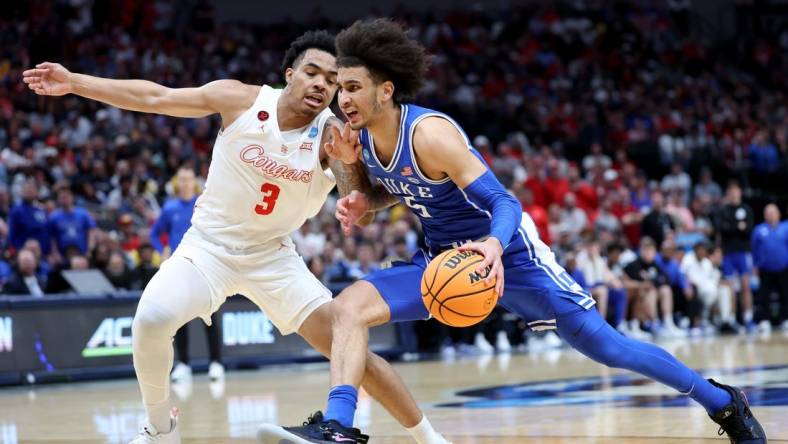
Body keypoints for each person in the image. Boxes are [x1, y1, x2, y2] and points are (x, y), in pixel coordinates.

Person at [265, 19, 765, 444]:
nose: (342, 98)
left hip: (512, 257)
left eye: (352, 88)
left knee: (607, 348)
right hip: (444, 262)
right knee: (348, 309)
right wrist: (360, 194)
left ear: (385, 90)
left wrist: (492, 244)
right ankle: (338, 427)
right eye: (340, 89)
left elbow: (504, 201)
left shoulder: (430, 134)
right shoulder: (363, 137)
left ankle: (723, 401)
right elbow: (396, 190)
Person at [24, 30, 448, 444]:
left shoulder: (333, 134)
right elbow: (155, 97)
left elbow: (361, 207)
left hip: (274, 257)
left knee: (349, 347)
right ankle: (159, 425)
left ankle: (429, 438)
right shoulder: (240, 99)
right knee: (151, 320)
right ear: (289, 74)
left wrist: (350, 171)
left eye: (334, 81)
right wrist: (75, 82)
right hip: (208, 248)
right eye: (313, 73)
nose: (322, 85)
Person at [151, 167, 224, 382]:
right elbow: (155, 234)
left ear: (194, 182)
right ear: (177, 182)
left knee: (210, 317)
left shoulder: (204, 204)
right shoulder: (169, 208)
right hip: (179, 268)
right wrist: (161, 250)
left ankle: (216, 363)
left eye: (189, 179)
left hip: (205, 267)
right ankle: (183, 364)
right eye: (181, 179)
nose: (185, 183)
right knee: (179, 319)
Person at [716, 181, 755, 331]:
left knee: (746, 286)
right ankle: (731, 319)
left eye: (735, 190)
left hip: (743, 252)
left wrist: (732, 227)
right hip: (728, 253)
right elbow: (722, 229)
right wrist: (738, 227)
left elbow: (748, 230)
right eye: (730, 191)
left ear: (740, 192)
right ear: (728, 193)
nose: (733, 193)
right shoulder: (723, 210)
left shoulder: (746, 209)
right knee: (730, 288)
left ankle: (748, 318)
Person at [751, 203, 788, 332]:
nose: (771, 215)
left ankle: (785, 319)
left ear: (779, 214)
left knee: (785, 294)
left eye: (773, 213)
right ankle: (764, 320)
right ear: (764, 215)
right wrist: (754, 266)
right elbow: (754, 250)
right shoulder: (759, 230)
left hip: (784, 267)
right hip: (765, 268)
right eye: (768, 213)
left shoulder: (786, 227)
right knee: (763, 296)